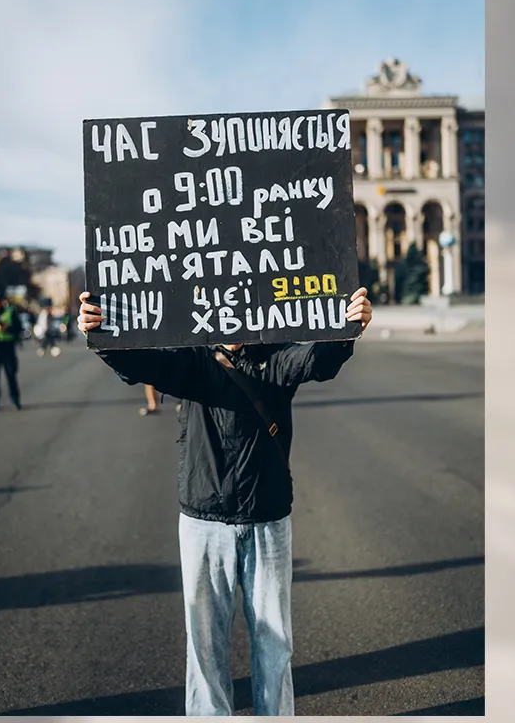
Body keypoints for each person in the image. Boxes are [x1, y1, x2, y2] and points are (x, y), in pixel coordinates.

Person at [78, 287, 374, 716]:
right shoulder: (192, 359)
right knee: (205, 646)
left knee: (275, 644)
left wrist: (346, 331)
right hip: (204, 518)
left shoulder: (275, 355)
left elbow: (316, 361)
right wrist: (100, 332)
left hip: (266, 516)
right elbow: (138, 361)